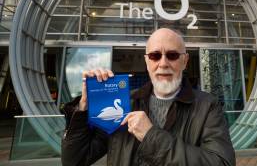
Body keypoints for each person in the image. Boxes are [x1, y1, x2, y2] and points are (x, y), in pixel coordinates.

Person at [61, 28, 236, 166]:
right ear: (147, 61)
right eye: (155, 55)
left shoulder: (207, 106)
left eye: (173, 55)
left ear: (185, 61)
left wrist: (150, 136)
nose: (163, 63)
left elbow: (221, 162)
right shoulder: (125, 102)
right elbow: (74, 160)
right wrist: (83, 108)